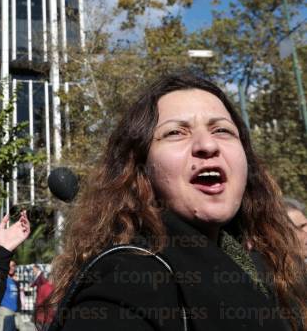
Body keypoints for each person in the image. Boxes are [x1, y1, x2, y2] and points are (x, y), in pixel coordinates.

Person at [49, 74, 307, 331]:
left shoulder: (263, 261)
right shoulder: (129, 279)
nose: (207, 144)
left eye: (222, 130)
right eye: (175, 132)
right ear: (139, 169)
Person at [0, 260, 21, 331]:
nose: (11, 267)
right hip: (4, 311)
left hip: (13, 312)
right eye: (9, 265)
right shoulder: (2, 278)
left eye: (13, 265)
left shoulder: (12, 280)